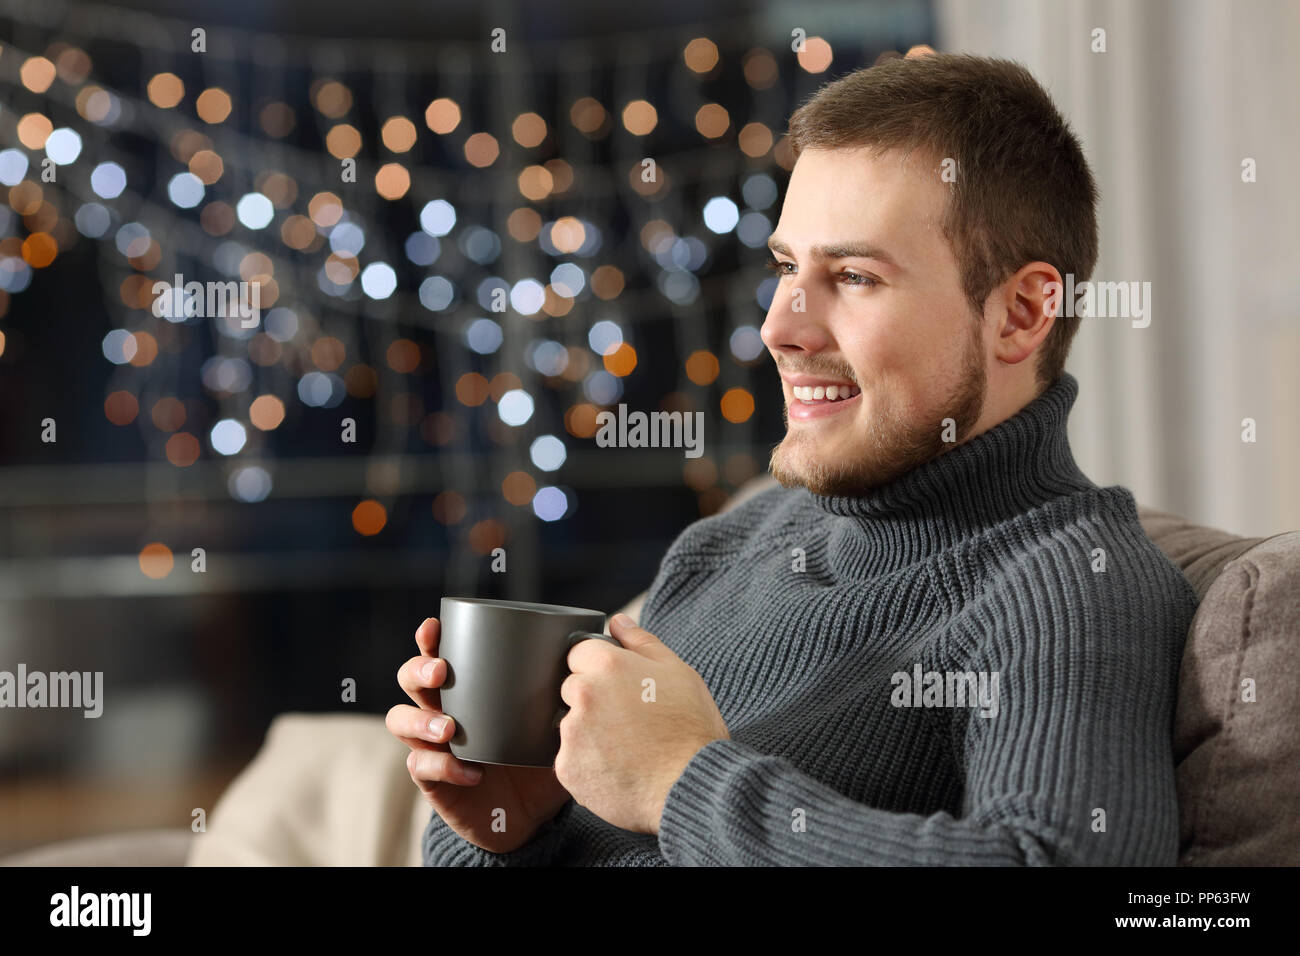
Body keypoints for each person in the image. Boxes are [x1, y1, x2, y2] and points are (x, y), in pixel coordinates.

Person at [388, 50, 1199, 865]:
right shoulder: (729, 543)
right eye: (785, 267)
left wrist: (684, 782)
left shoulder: (1068, 583)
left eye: (853, 275)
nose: (781, 326)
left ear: (1021, 314)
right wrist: (523, 828)